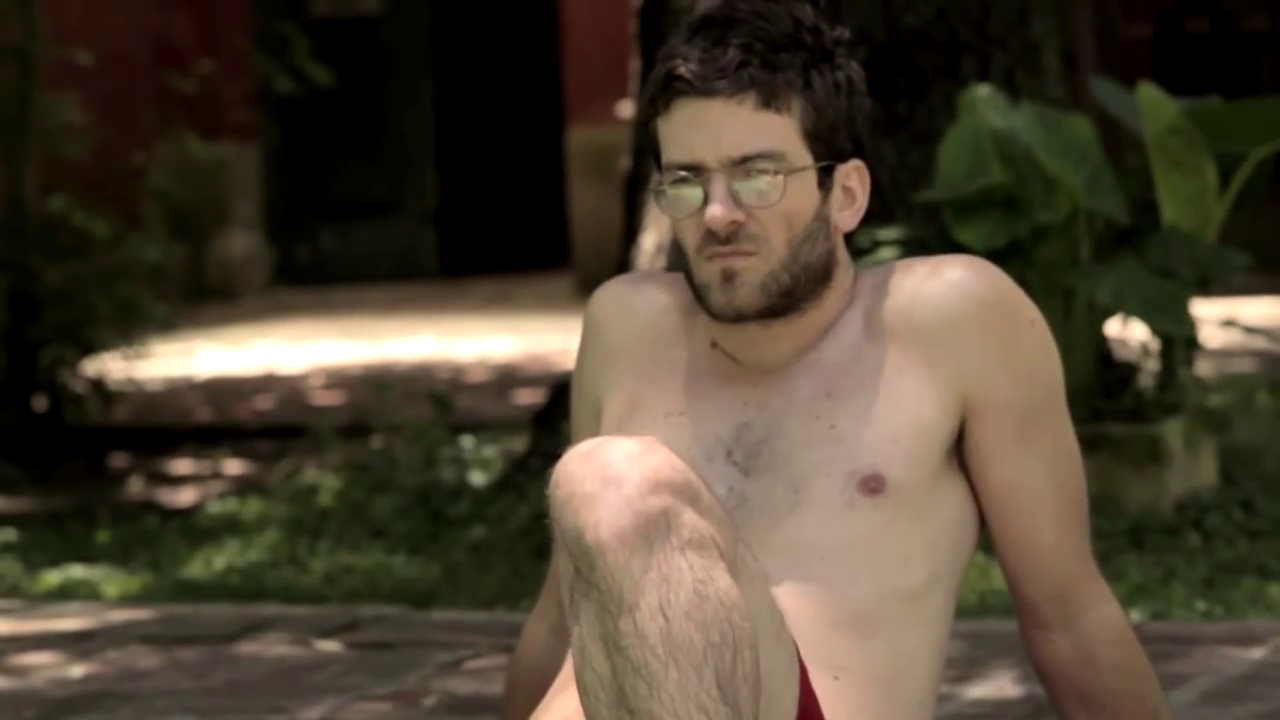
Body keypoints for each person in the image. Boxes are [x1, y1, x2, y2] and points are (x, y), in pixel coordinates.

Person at [500, 2, 1171, 718]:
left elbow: (1069, 618)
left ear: (845, 195)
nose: (718, 213)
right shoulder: (627, 322)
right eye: (688, 181)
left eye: (756, 175)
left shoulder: (953, 321)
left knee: (616, 481)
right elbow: (561, 620)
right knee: (608, 487)